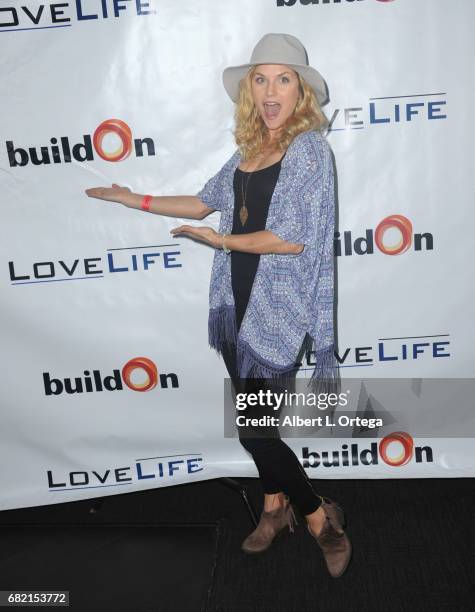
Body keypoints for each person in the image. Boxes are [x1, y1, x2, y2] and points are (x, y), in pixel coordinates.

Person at [85, 32, 351, 578]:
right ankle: (274, 507)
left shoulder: (309, 151)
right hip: (234, 306)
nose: (270, 90)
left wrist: (222, 241)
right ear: (249, 91)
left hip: (277, 317)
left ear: (300, 91)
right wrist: (135, 198)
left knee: (256, 430)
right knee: (254, 423)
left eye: (283, 79)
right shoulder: (249, 150)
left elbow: (293, 238)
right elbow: (206, 201)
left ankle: (321, 516)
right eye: (260, 79)